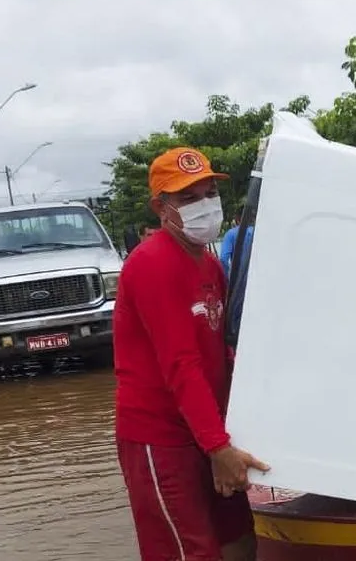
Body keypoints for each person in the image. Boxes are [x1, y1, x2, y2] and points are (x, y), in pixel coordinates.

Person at [113, 146, 269, 561]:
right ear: (160, 208)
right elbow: (181, 365)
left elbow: (222, 353)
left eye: (208, 194)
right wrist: (218, 447)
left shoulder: (209, 264)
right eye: (188, 198)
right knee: (191, 552)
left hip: (206, 430)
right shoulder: (151, 264)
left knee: (240, 540)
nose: (204, 205)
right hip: (162, 437)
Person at [218, 210, 253, 279]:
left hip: (237, 282)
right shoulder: (258, 233)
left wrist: (226, 280)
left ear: (237, 219)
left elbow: (223, 259)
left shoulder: (230, 234)